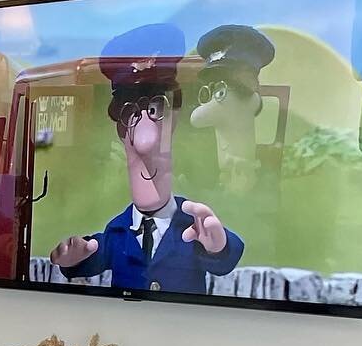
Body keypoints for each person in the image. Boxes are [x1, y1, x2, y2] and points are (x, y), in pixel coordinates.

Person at [49, 23, 245, 295]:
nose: (146, 142)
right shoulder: (117, 230)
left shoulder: (191, 224)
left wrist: (220, 246)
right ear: (121, 126)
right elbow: (92, 256)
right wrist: (73, 261)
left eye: (155, 109)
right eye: (131, 114)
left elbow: (224, 257)